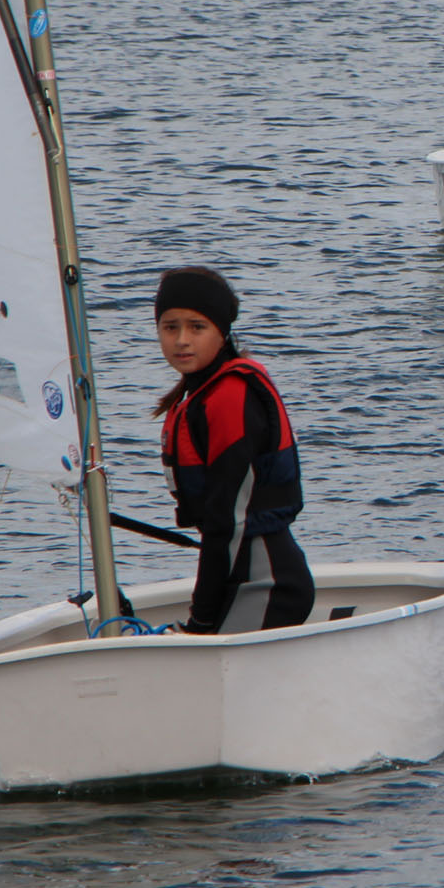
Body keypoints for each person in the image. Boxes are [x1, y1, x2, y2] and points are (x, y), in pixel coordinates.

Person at [152, 266, 314, 635]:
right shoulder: (200, 395)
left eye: (197, 327)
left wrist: (202, 618)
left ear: (222, 332)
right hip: (240, 579)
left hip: (268, 586)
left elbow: (229, 521)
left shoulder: (230, 396)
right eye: (170, 327)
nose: (181, 340)